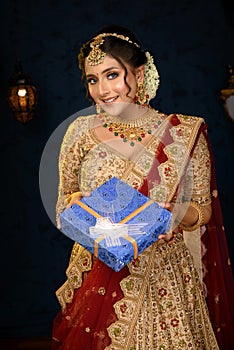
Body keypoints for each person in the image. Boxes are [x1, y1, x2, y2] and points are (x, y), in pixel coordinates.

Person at [52, 25, 234, 349]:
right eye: (92, 80)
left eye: (112, 75)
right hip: (98, 273)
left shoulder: (183, 132)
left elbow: (202, 209)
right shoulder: (79, 132)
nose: (102, 90)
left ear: (139, 73)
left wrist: (175, 215)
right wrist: (90, 210)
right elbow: (63, 203)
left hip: (165, 279)